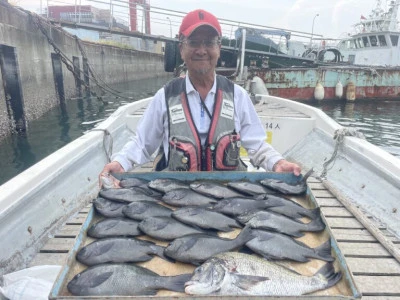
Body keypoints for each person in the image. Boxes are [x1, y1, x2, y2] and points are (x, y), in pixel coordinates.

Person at [99, 9, 301, 181]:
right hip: (178, 198)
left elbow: (256, 144)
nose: (202, 50)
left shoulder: (237, 96)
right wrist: (120, 163)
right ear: (181, 48)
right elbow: (142, 144)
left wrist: (278, 163)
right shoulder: (165, 97)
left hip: (228, 195)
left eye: (209, 43)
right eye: (194, 42)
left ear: (219, 49)